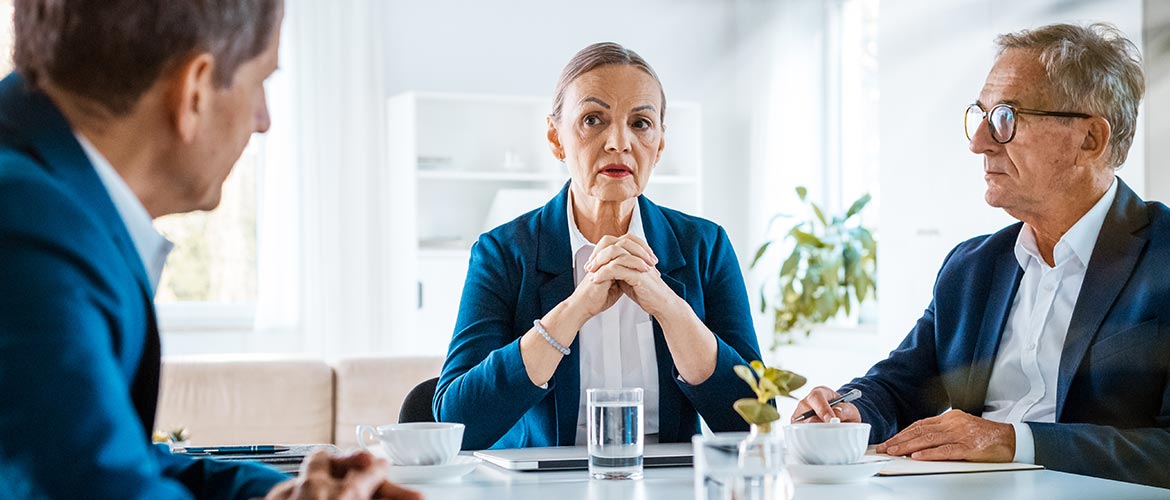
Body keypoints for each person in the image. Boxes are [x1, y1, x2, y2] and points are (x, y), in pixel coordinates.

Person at [0, 1, 418, 499]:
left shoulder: (47, 196)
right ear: (194, 89)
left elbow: (117, 458)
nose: (263, 120)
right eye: (260, 81)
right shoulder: (32, 231)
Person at [793, 23, 1169, 488]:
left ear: (1089, 139)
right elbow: (900, 383)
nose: (979, 143)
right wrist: (849, 408)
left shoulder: (1162, 256)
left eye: (1006, 119)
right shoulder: (972, 266)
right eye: (981, 116)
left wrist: (1016, 442)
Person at [433, 42, 763, 450]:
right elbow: (456, 423)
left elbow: (753, 418)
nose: (618, 142)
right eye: (593, 119)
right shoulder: (502, 253)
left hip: (672, 485)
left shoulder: (705, 246)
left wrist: (670, 307)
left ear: (659, 144)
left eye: (641, 123)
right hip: (542, 487)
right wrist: (574, 310)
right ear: (556, 139)